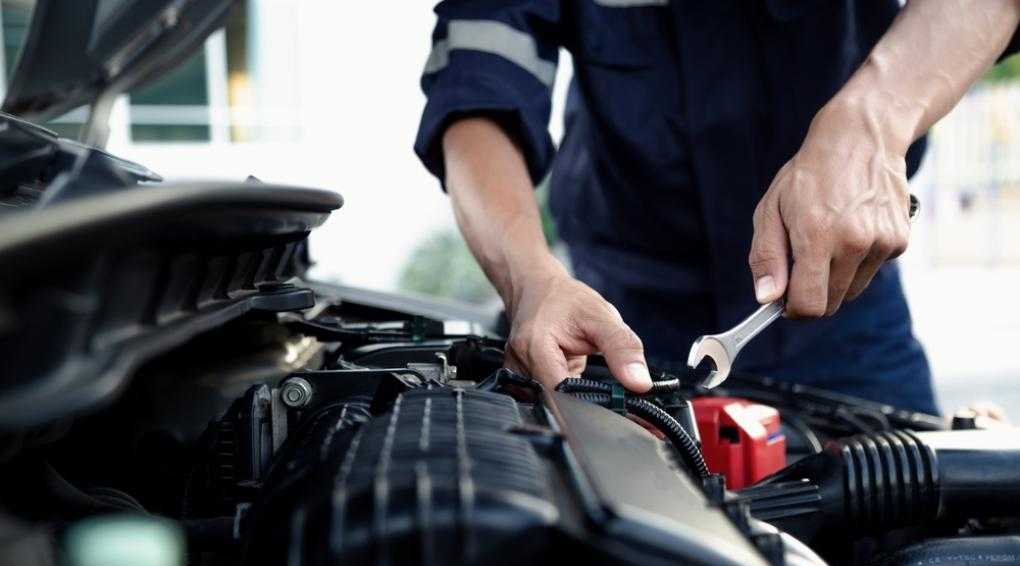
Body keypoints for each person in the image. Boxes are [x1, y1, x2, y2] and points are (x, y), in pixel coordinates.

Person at [414, 1, 1020, 415]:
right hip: (609, 328)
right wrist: (530, 283)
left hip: (847, 313)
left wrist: (872, 120)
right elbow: (477, 83)